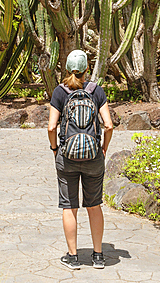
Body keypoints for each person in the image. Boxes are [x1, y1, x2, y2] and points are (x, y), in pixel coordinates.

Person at [47, 49, 115, 270]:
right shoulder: (97, 91)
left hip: (67, 157)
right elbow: (108, 125)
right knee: (94, 206)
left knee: (70, 207)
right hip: (94, 156)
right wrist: (103, 149)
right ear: (87, 69)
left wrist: (55, 149)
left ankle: (73, 257)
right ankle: (98, 256)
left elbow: (51, 127)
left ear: (67, 69)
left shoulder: (59, 92)